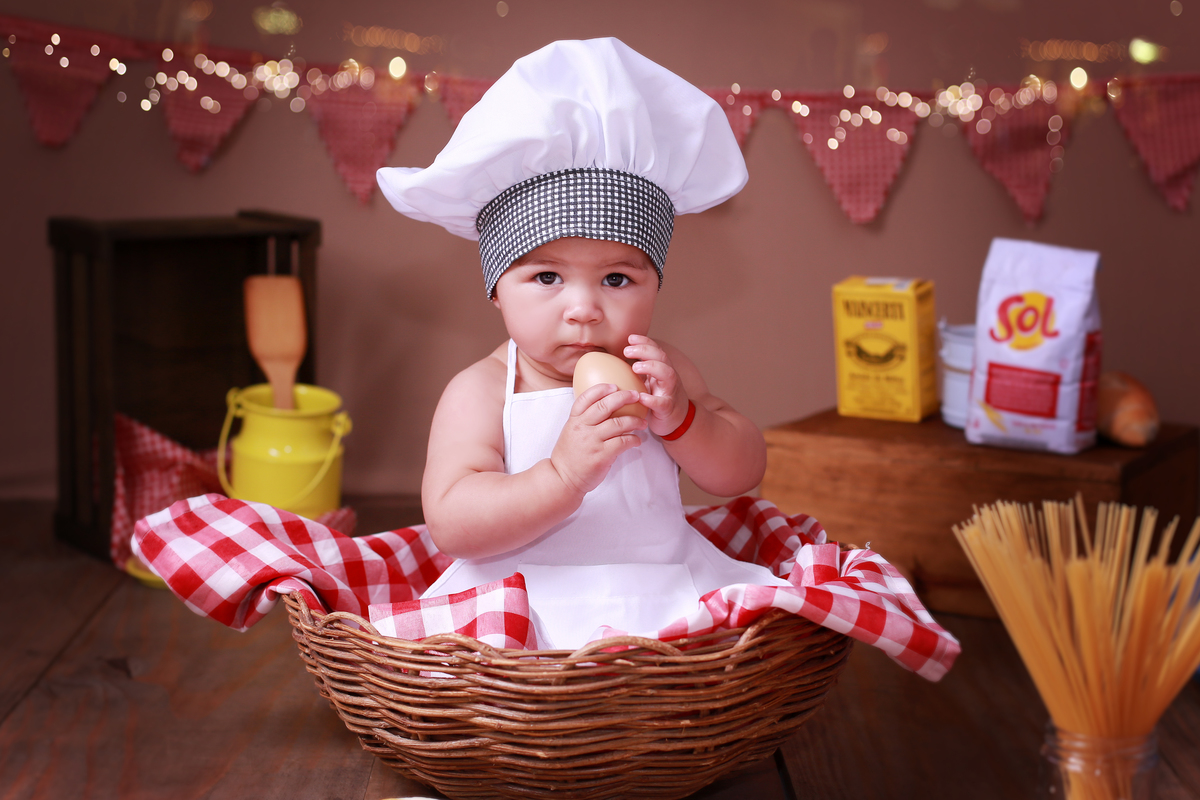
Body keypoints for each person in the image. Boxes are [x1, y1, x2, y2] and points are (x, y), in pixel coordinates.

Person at [377, 38, 790, 650]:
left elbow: (743, 470)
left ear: (655, 285)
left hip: (657, 597)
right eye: (546, 277)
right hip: (524, 598)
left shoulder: (660, 371)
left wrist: (683, 422)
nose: (584, 308)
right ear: (496, 288)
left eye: (617, 279)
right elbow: (453, 522)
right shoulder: (486, 389)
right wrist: (562, 475)